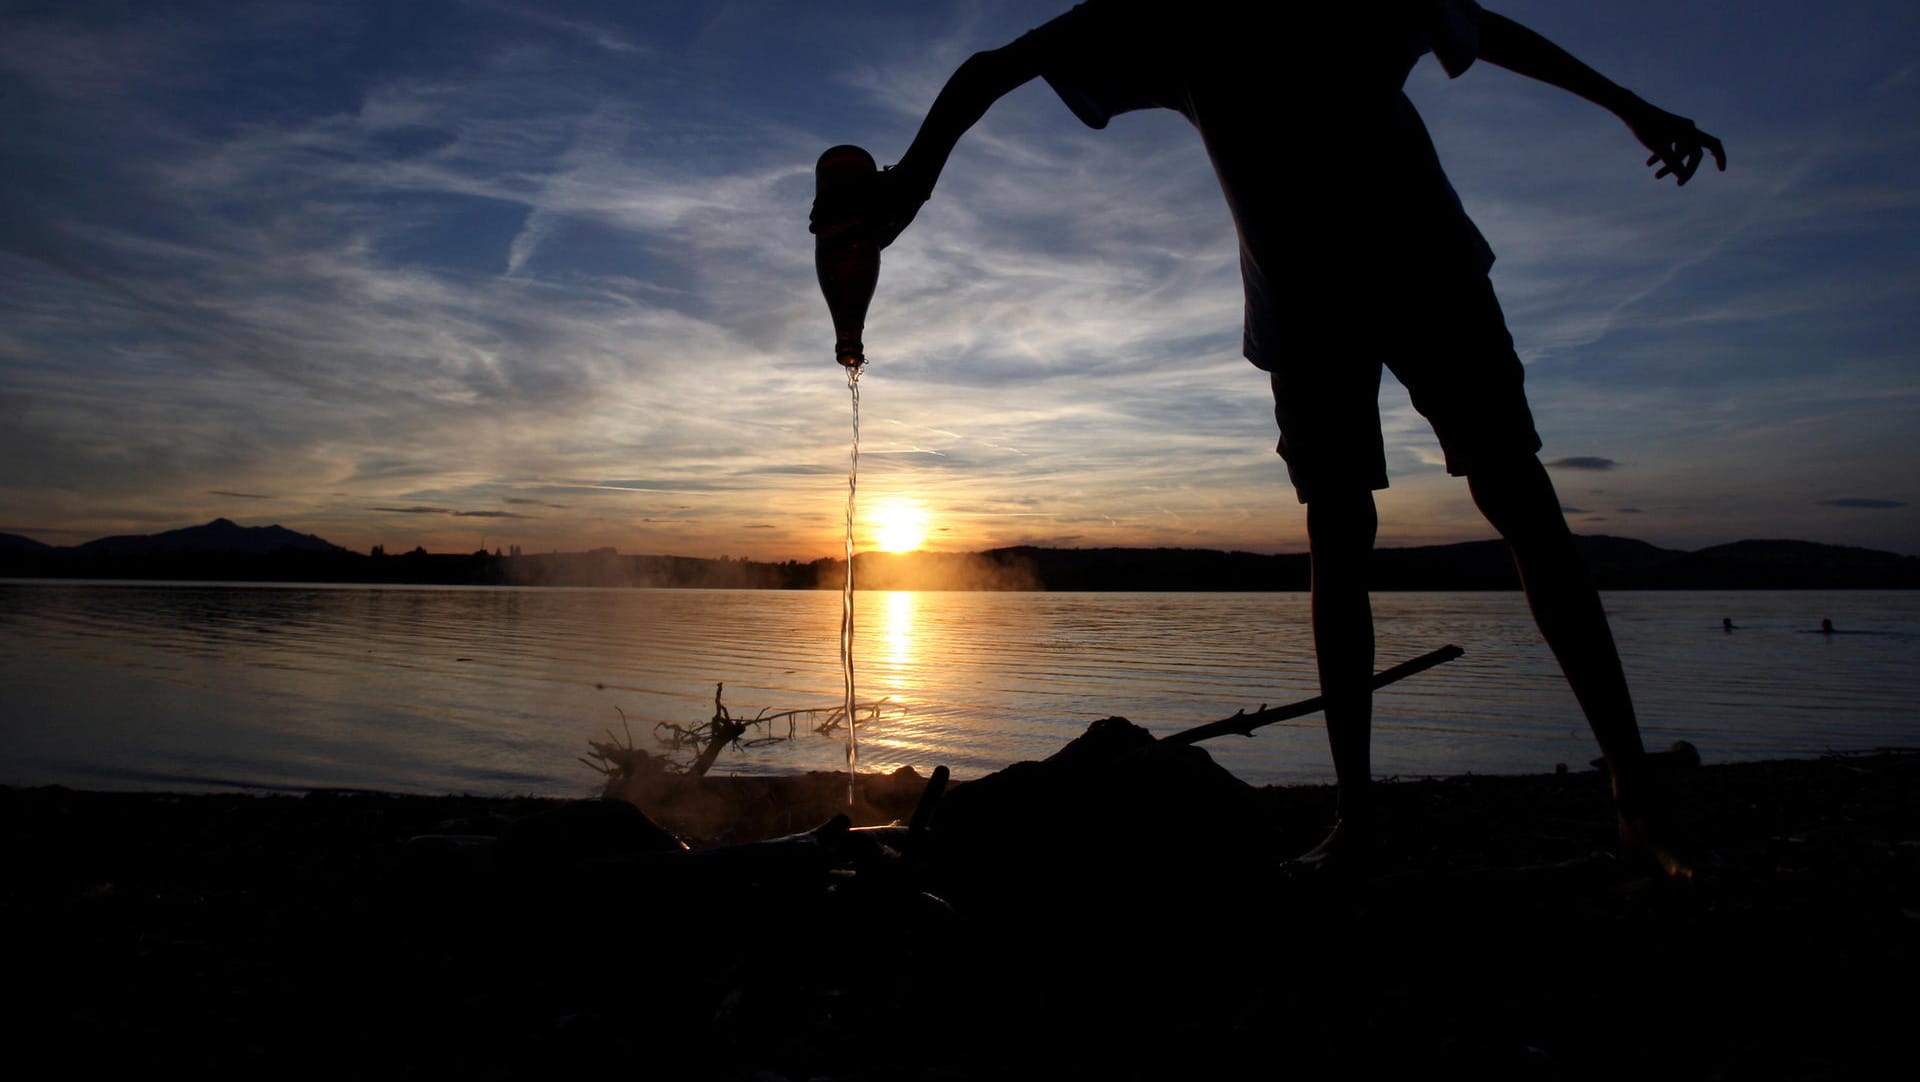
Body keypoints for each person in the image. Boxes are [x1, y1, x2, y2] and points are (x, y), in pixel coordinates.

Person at [819, 0, 1723, 876]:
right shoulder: (1172, 13)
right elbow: (992, 71)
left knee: (1518, 499)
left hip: (1428, 267)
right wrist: (906, 190)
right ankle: (1359, 819)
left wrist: (1629, 105)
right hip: (1306, 310)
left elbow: (1483, 28)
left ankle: (1635, 798)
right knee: (1343, 538)